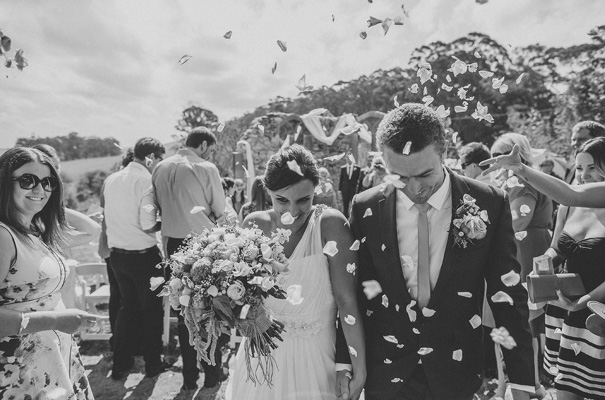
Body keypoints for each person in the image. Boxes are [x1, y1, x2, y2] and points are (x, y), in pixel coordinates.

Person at [336, 103, 534, 400]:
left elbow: (507, 294)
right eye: (399, 177)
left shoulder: (488, 202)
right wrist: (344, 362)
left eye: (424, 174)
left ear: (444, 153)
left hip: (455, 370)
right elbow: (354, 289)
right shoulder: (366, 206)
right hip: (387, 371)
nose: (414, 188)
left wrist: (522, 381)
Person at [226, 144, 366, 400]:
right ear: (268, 191)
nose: (293, 211)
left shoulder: (331, 225)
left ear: (315, 192)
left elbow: (347, 302)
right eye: (282, 200)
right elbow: (242, 298)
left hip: (317, 359)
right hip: (261, 358)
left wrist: (357, 369)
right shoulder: (253, 224)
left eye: (303, 200)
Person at [0, 147, 98, 399]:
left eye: (48, 182)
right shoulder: (3, 236)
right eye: (27, 180)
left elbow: (92, 230)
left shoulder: (32, 230)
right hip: (19, 371)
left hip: (52, 359)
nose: (40, 189)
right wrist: (54, 320)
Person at [152, 127, 226, 392]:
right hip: (202, 245)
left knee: (183, 310)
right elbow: (220, 210)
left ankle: (189, 377)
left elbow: (156, 207)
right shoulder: (206, 168)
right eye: (212, 149)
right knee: (210, 309)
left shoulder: (159, 167)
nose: (211, 154)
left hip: (173, 246)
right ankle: (212, 372)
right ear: (203, 145)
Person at [538, 137, 605, 400]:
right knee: (565, 390)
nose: (583, 175)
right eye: (578, 168)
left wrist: (583, 303)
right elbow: (556, 248)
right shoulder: (568, 205)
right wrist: (543, 264)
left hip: (598, 313)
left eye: (592, 168)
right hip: (564, 309)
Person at [491, 133, 552, 398]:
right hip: (528, 249)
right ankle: (531, 384)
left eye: (498, 156)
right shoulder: (522, 179)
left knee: (516, 320)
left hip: (523, 252)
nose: (494, 161)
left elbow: (518, 221)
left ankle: (518, 386)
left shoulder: (520, 181)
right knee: (526, 323)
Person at [103, 137, 166, 380]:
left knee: (126, 308)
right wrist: (166, 222)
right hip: (144, 257)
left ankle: (120, 364)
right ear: (150, 157)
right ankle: (153, 364)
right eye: (159, 158)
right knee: (152, 312)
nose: (159, 163)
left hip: (118, 256)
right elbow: (148, 225)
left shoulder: (112, 179)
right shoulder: (146, 181)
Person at [31, 144, 102, 309]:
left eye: (56, 168)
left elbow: (90, 230)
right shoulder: (27, 218)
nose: (53, 176)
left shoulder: (47, 214)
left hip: (61, 287)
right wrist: (53, 207)